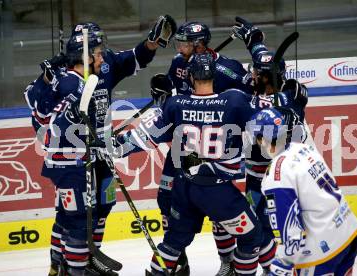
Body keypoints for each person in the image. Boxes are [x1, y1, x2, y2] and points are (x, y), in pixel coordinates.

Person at [26, 16, 176, 276]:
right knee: (73, 215)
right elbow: (39, 112)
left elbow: (133, 58)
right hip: (74, 157)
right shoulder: (66, 79)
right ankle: (62, 263)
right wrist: (46, 82)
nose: (103, 56)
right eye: (97, 50)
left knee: (101, 207)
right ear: (82, 51)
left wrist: (152, 43)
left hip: (100, 151)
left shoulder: (101, 68)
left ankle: (89, 256)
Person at [115, 52, 287, 276]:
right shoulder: (234, 100)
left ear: (190, 77)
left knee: (173, 243)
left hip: (183, 187)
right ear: (213, 75)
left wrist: (114, 147)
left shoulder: (175, 104)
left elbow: (143, 138)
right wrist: (278, 113)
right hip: (217, 191)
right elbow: (269, 128)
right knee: (252, 236)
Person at [149, 21, 254, 276]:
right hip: (184, 146)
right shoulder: (179, 62)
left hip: (214, 147)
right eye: (179, 42)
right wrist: (164, 97)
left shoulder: (227, 69)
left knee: (216, 208)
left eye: (185, 43)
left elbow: (251, 93)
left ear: (200, 44)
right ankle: (178, 257)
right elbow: (175, 97)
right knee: (166, 197)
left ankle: (227, 261)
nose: (180, 48)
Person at [230, 17, 309, 275]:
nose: (251, 74)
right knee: (257, 224)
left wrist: (277, 108)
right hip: (255, 174)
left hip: (283, 174)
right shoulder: (252, 91)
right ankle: (270, 267)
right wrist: (254, 41)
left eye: (256, 73)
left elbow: (293, 118)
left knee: (288, 223)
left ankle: (293, 266)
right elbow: (263, 59)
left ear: (267, 78)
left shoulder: (292, 94)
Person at [250, 107, 357, 276]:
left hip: (323, 250)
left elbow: (289, 230)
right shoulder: (304, 149)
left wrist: (282, 264)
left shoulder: (277, 174)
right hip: (348, 233)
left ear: (262, 139)